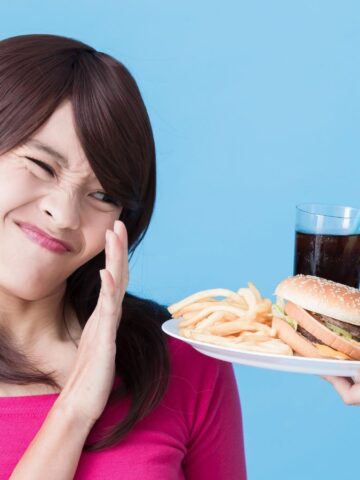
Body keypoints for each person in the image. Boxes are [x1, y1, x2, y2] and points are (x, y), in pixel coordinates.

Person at [0, 34, 247, 479]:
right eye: (41, 165)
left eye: (101, 194)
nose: (63, 215)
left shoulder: (185, 363)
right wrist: (74, 410)